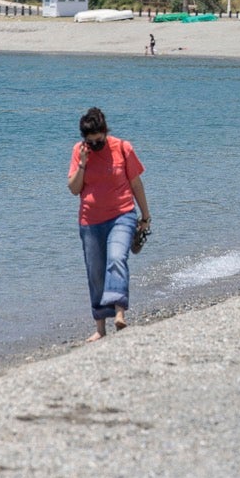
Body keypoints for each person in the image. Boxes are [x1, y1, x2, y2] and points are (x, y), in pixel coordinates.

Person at [66, 107, 150, 340]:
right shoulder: (78, 151)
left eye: (99, 140)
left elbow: (136, 184)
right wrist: (82, 163)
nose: (95, 145)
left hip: (122, 215)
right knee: (95, 273)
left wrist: (145, 216)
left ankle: (120, 313)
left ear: (105, 132)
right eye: (90, 142)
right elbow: (74, 189)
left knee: (116, 258)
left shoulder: (123, 148)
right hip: (90, 221)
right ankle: (100, 329)